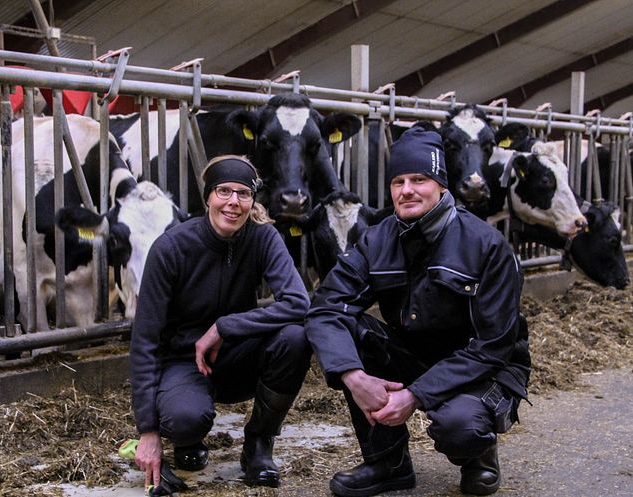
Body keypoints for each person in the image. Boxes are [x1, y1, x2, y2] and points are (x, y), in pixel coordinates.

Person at [305, 127, 531, 496]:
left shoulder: (487, 245)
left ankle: (480, 455)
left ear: (441, 185)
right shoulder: (376, 240)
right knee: (352, 332)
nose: (406, 189)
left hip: (481, 367)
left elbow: (493, 346)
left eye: (419, 179)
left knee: (460, 427)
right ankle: (387, 464)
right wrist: (352, 375)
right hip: (414, 354)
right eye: (398, 181)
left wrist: (413, 396)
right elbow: (325, 308)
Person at [130, 155, 311, 492]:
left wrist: (226, 327)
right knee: (185, 419)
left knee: (296, 338)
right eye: (223, 191)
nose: (233, 202)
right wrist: (148, 431)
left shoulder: (263, 238)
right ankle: (188, 438)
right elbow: (145, 340)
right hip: (184, 363)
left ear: (252, 200)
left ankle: (258, 444)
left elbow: (299, 303)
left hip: (236, 355)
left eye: (243, 193)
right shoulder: (171, 248)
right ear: (208, 197)